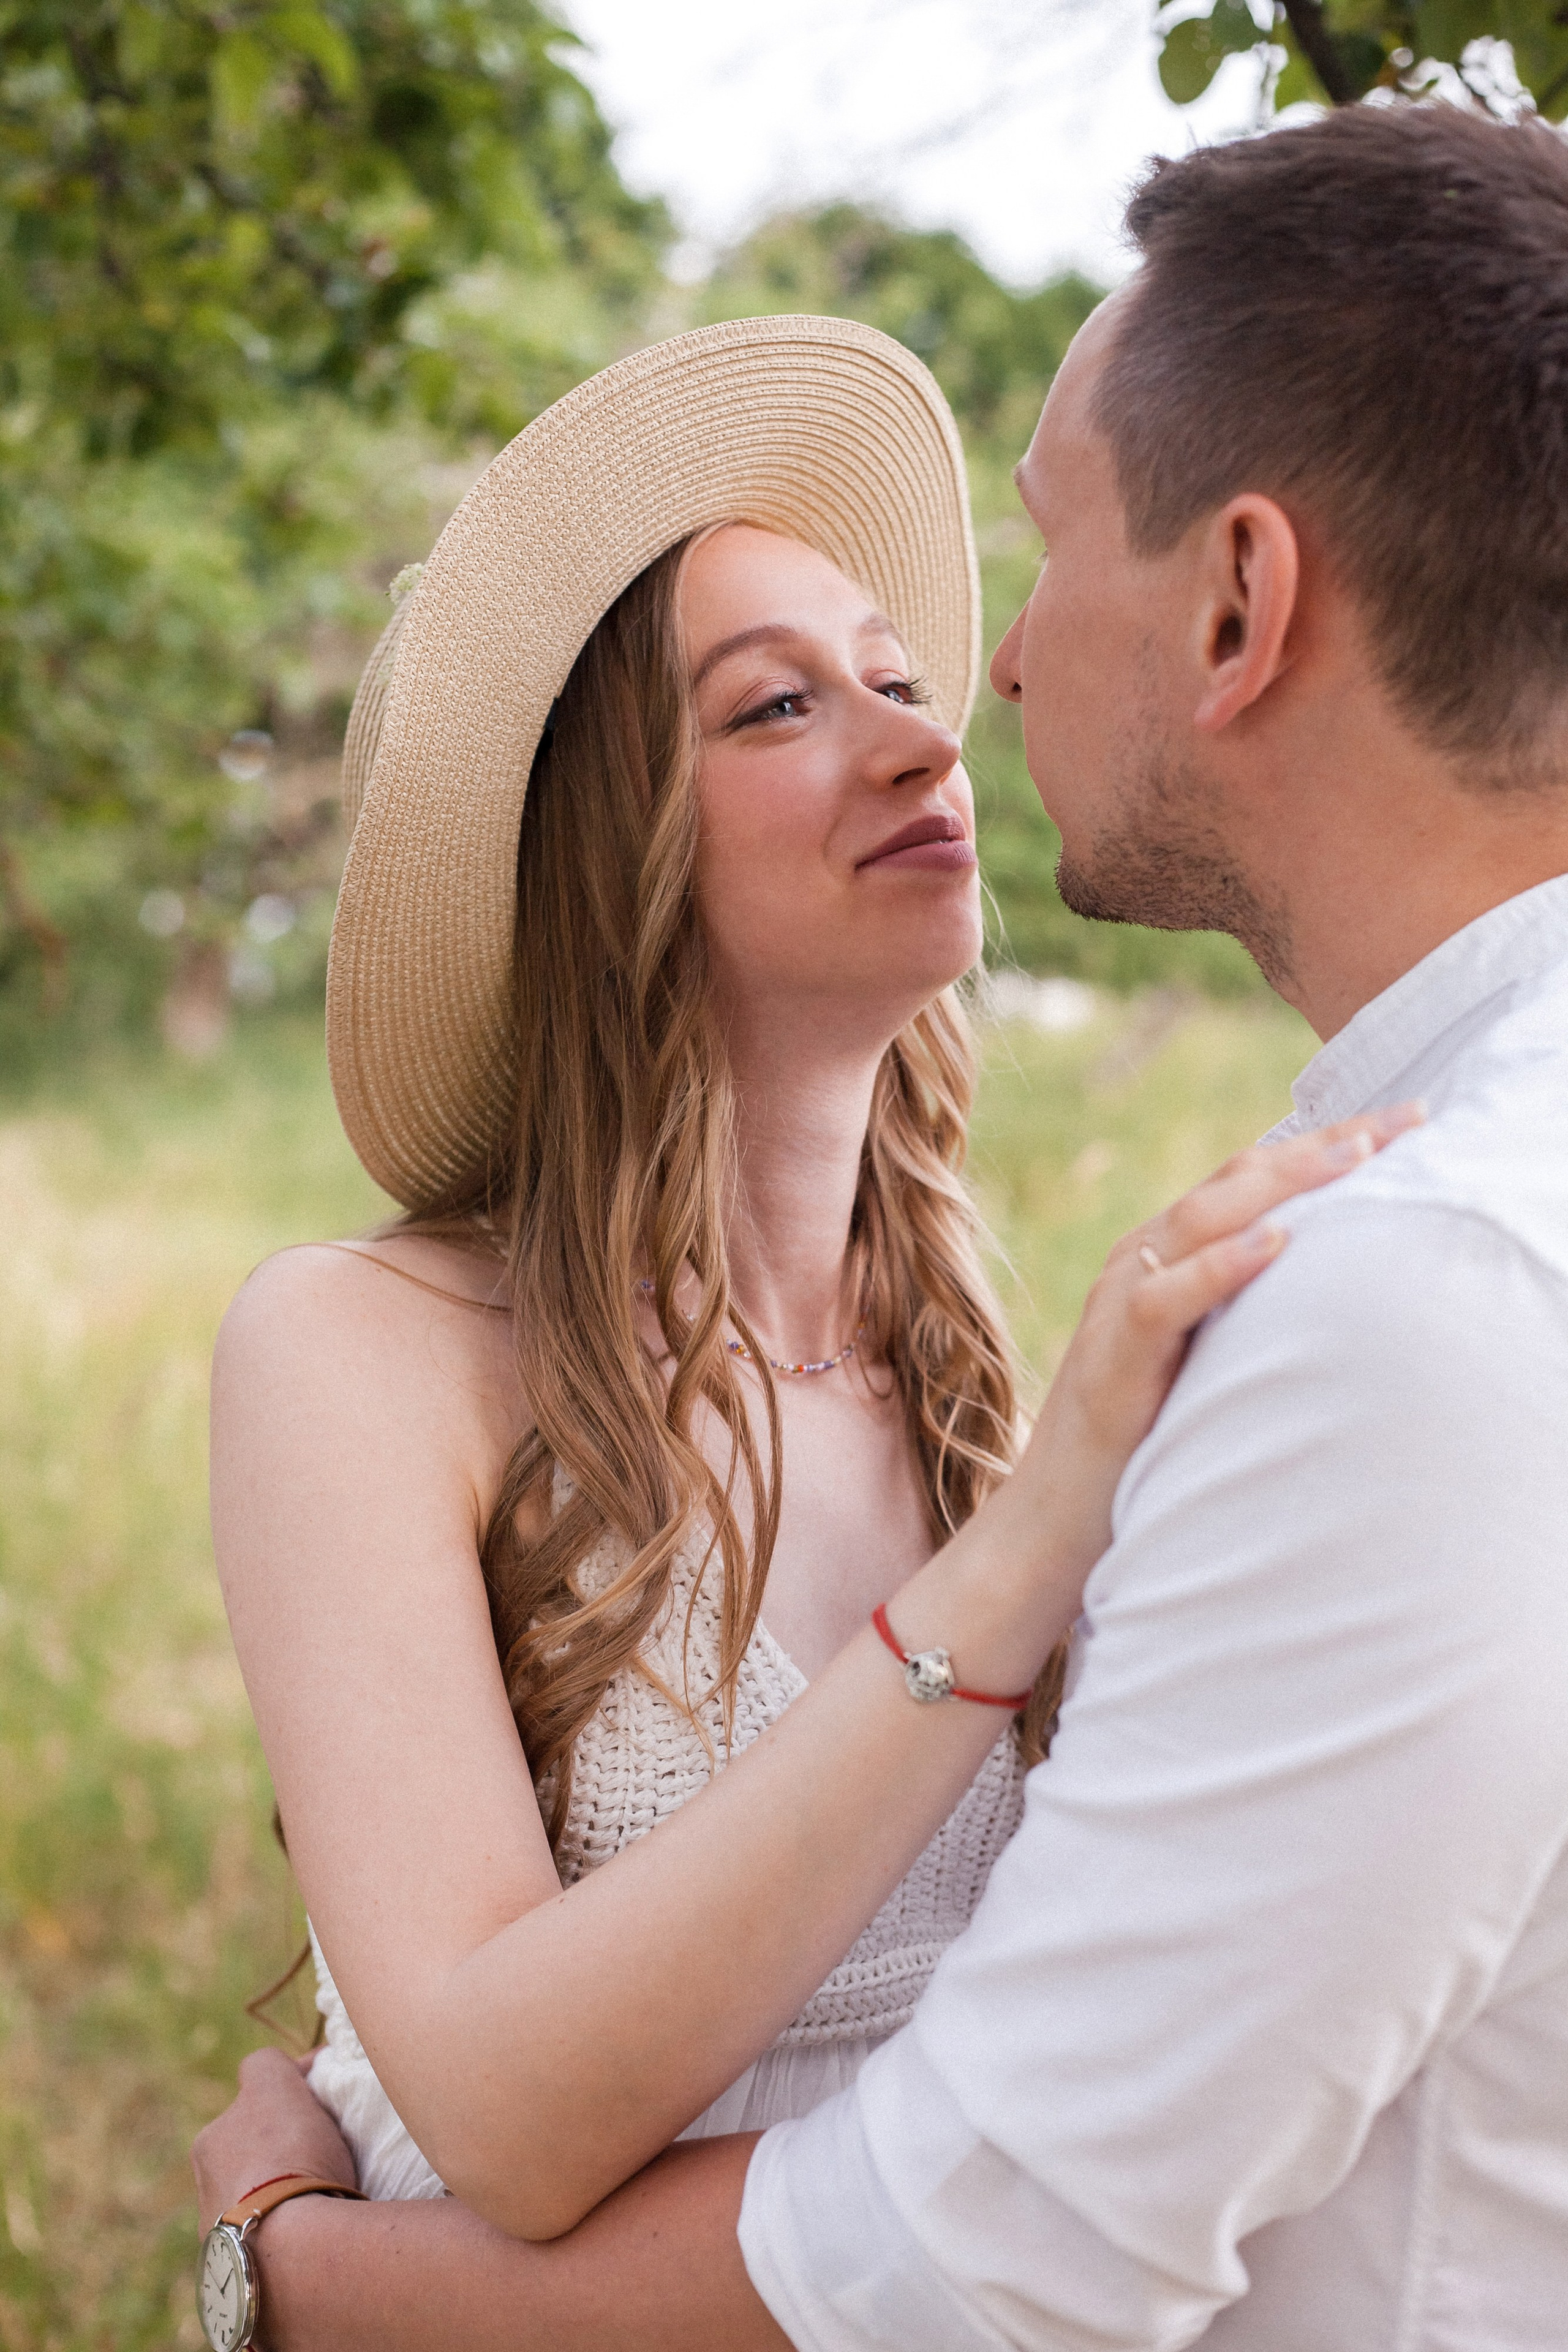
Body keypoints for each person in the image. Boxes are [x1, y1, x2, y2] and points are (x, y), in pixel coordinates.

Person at [203, 97, 1568, 2351]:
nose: (939, 736)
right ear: (614, 856)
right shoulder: (359, 1345)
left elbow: (1032, 2173)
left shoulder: (1000, 1374)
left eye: (907, 675)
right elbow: (525, 2120)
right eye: (776, 705)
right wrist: (1022, 1554)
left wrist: (303, 2269)